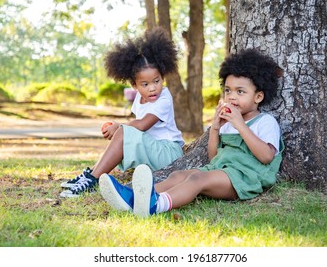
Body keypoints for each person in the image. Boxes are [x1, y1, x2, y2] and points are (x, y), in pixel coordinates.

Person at [99, 49, 284, 216]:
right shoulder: (229, 123)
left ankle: (156, 205)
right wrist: (216, 128)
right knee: (178, 175)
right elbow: (214, 158)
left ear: (258, 96)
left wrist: (240, 125)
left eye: (240, 92)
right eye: (228, 90)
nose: (232, 96)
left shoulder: (265, 122)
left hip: (245, 178)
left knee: (196, 178)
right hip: (220, 171)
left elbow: (267, 156)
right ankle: (133, 198)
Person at [59, 27, 184, 198]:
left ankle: (93, 179)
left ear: (162, 77)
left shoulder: (164, 97)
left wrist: (119, 127)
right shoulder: (139, 101)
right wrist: (120, 129)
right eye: (145, 84)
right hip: (152, 151)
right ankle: (91, 173)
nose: (153, 88)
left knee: (125, 132)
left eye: (157, 81)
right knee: (124, 134)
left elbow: (141, 125)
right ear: (135, 86)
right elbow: (136, 131)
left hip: (169, 153)